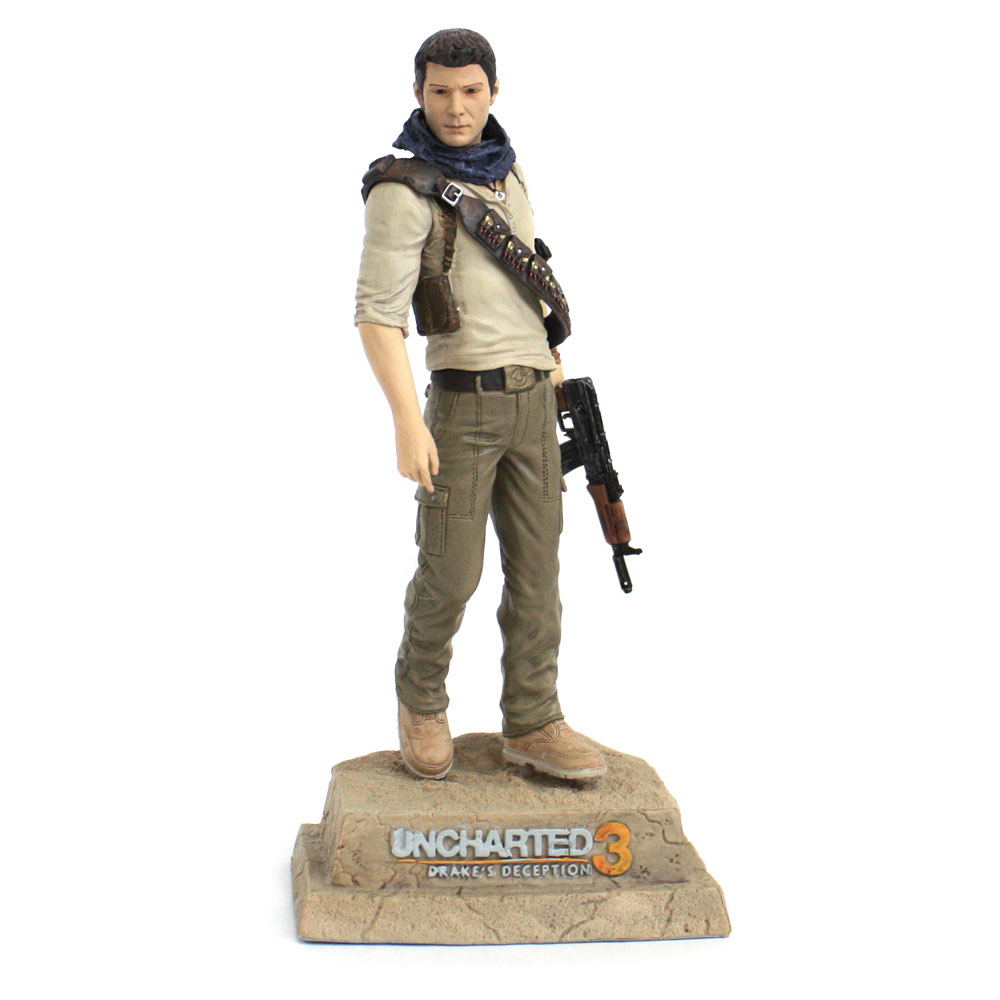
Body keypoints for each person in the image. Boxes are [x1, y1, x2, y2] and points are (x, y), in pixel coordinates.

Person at [355, 28, 606, 782]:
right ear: (419, 93)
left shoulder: (507, 170)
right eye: (440, 92)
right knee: (450, 572)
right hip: (462, 407)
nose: (457, 108)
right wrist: (408, 421)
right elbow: (377, 317)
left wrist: (550, 358)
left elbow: (525, 274)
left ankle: (534, 717)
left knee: (537, 574)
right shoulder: (402, 191)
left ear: (493, 91)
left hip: (533, 399)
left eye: (471, 91)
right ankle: (421, 701)